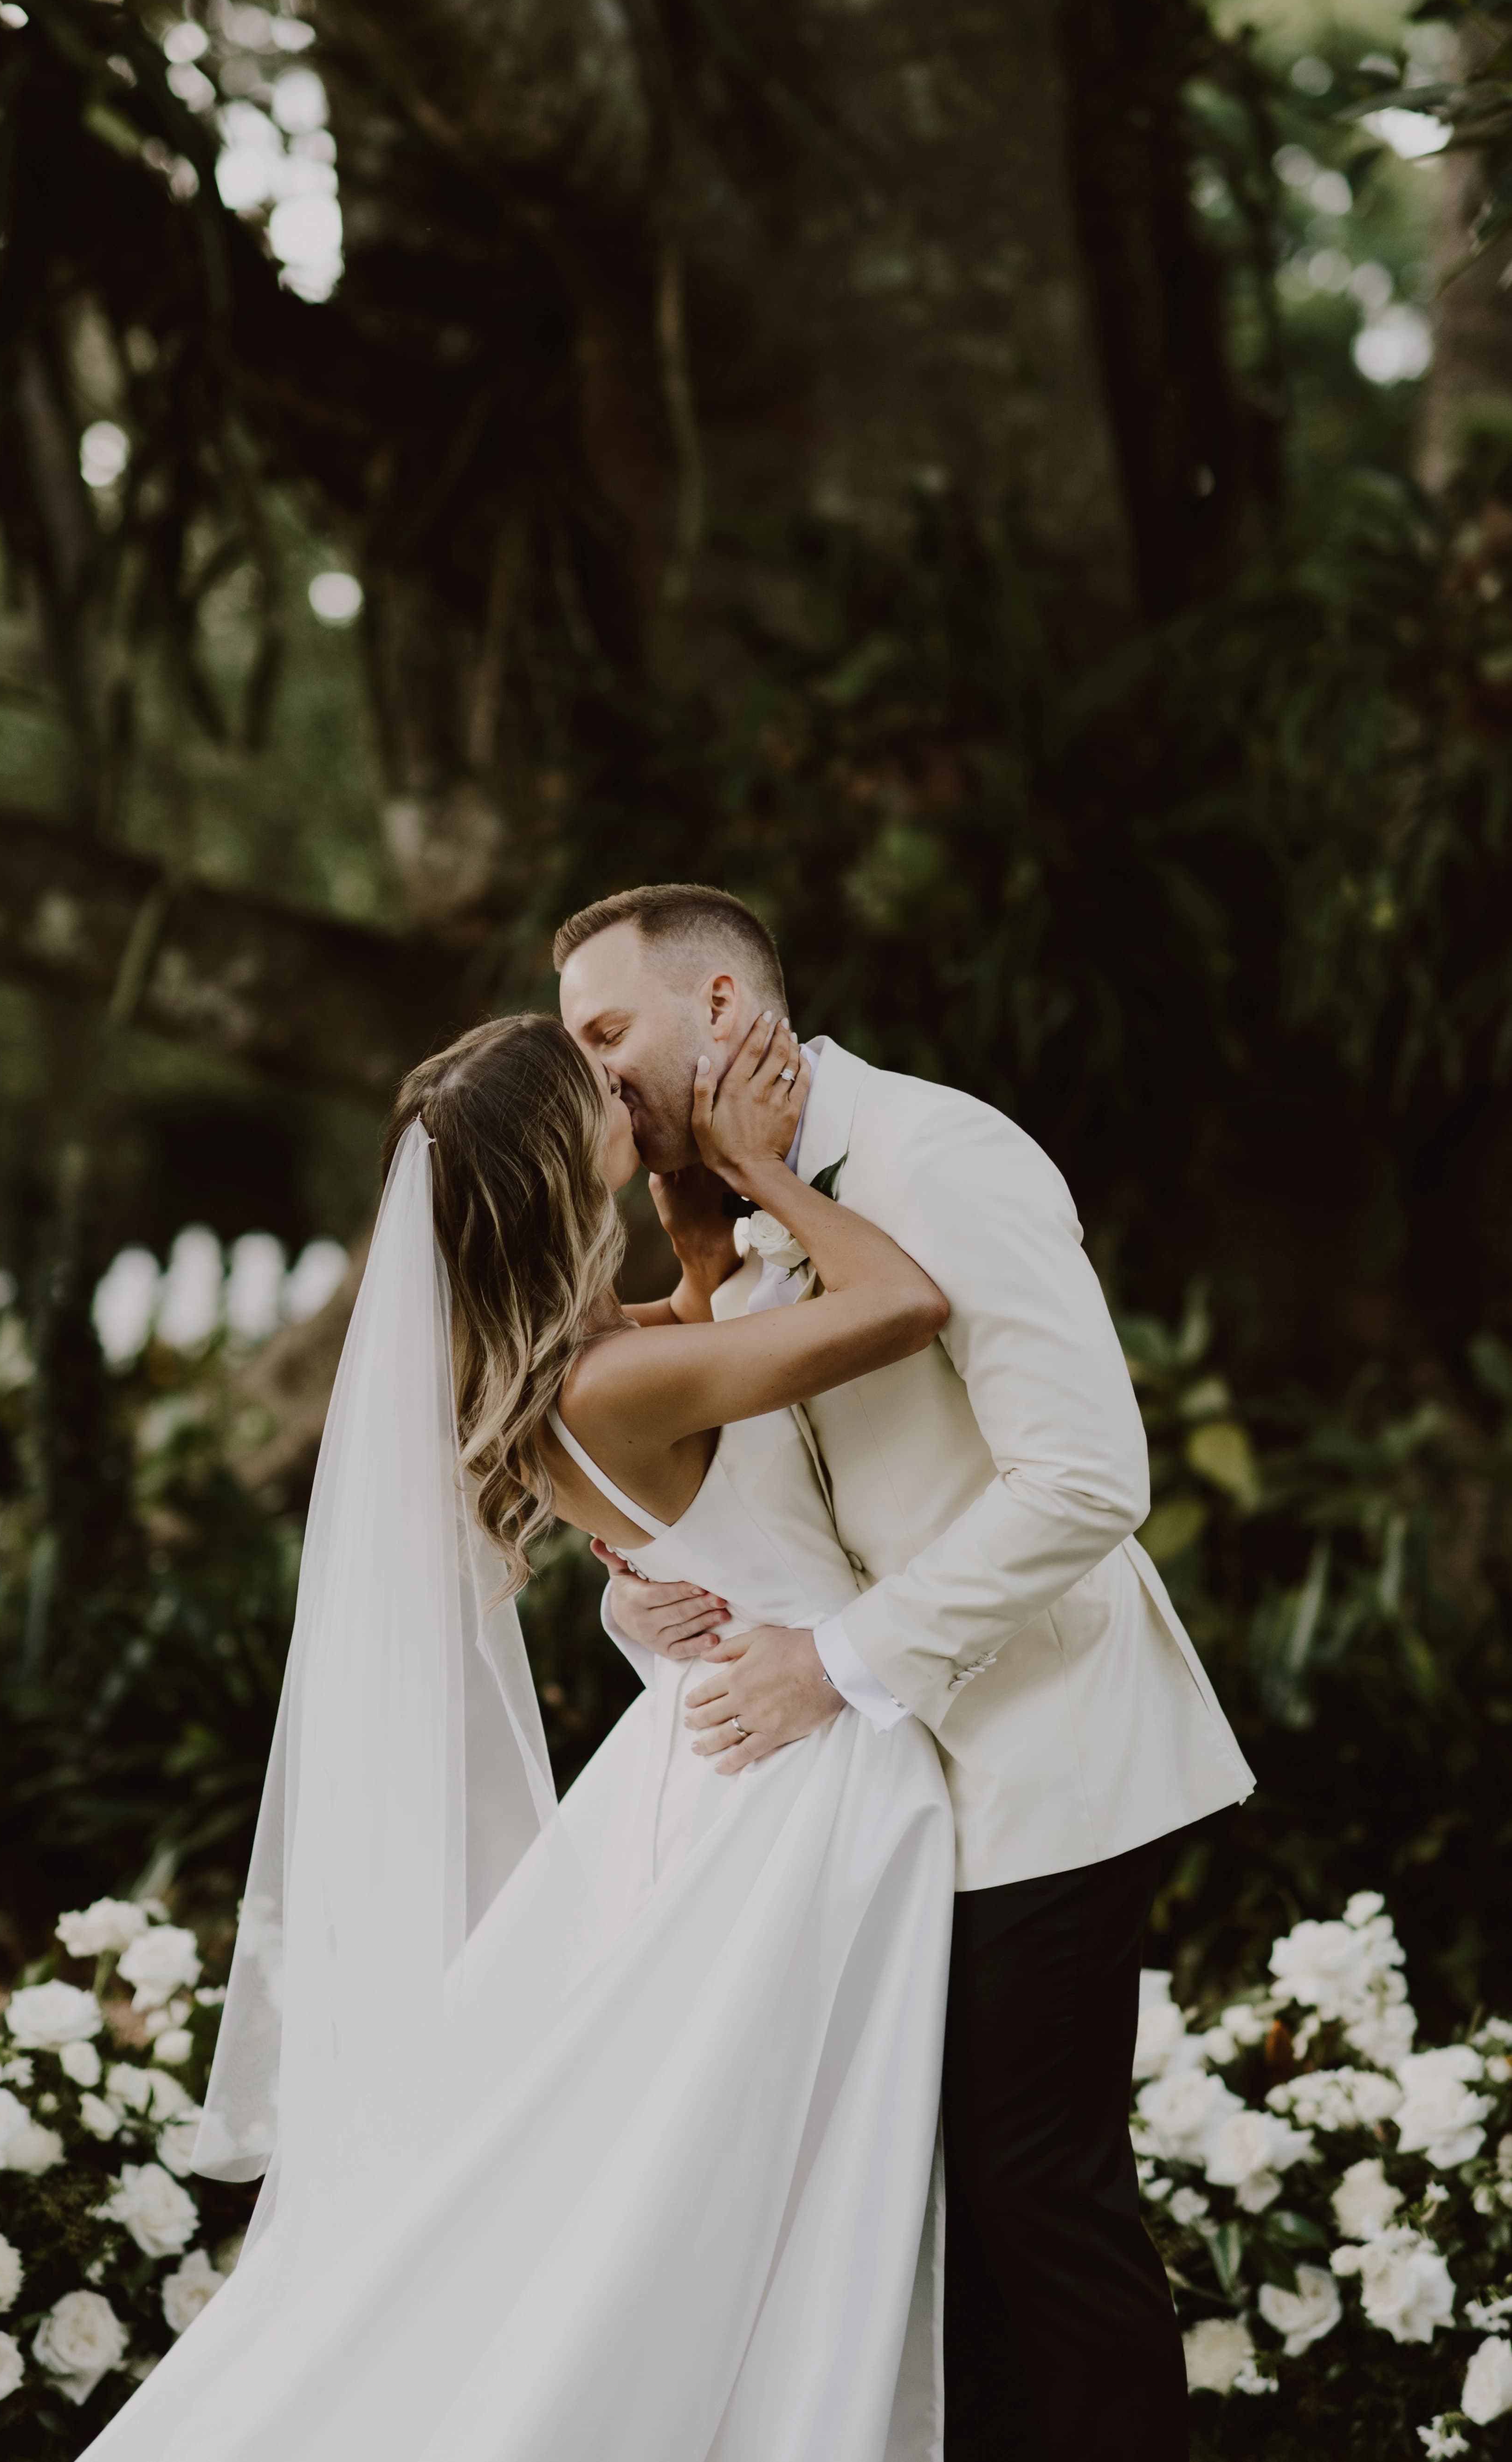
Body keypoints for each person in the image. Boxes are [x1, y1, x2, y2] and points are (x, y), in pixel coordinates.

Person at [82, 1007, 961, 2462]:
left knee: (698, 2166)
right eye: (603, 1090)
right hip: (803, 1772)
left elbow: (708, 1349)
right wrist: (768, 1171)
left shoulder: (563, 1360)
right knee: (767, 2177)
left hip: (719, 1745)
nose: (632, 1089)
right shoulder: (610, 1378)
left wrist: (695, 1234)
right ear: (568, 1154)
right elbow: (905, 1302)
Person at [556, 882, 1257, 2462]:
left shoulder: (946, 1156)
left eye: (611, 1034)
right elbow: (750, 1503)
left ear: (724, 1008)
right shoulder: (721, 1220)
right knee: (935, 2215)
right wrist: (650, 1612)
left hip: (1043, 1753)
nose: (593, 1076)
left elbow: (1087, 1478)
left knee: (1036, 2199)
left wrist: (841, 1662)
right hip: (875, 1792)